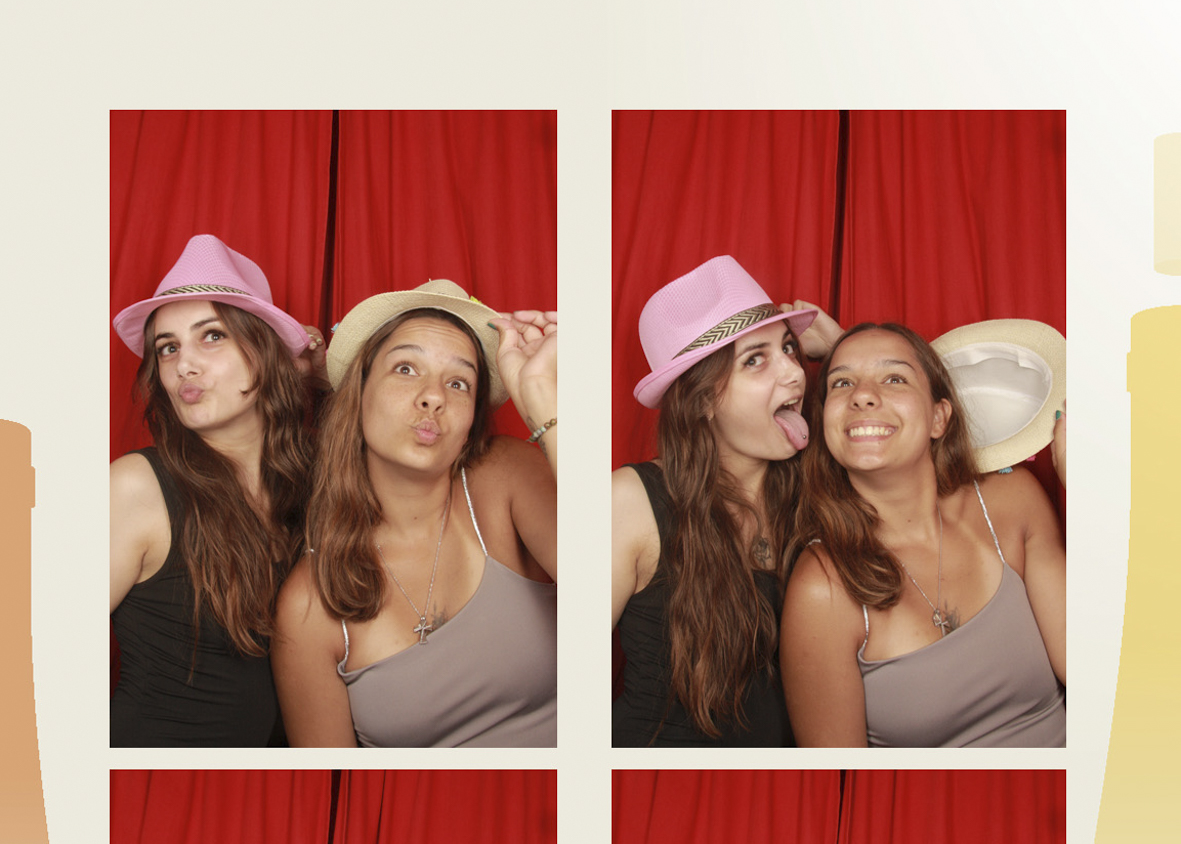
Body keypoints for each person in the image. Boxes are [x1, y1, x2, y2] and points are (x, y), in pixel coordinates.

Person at [272, 281, 557, 747]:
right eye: (406, 369)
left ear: (471, 420)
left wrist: (545, 400)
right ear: (358, 393)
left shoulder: (504, 475)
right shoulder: (308, 603)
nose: (433, 397)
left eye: (458, 382)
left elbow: (607, 583)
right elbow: (327, 776)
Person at [781, 322, 1066, 747]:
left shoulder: (1013, 502)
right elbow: (839, 775)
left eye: (894, 378)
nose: (861, 395)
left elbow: (1102, 677)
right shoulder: (822, 587)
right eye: (842, 383)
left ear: (939, 417)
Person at [612, 256, 839, 747]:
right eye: (755, 359)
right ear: (702, 400)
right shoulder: (631, 501)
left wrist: (845, 352)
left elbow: (944, 448)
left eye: (789, 348)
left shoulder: (820, 487)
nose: (794, 373)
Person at [110, 235, 323, 747]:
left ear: (265, 350)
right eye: (168, 347)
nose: (184, 365)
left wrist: (320, 379)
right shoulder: (136, 487)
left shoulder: (310, 482)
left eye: (212, 336)